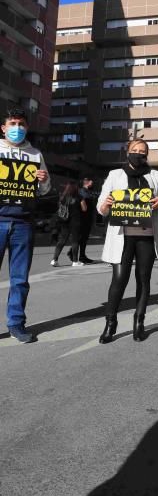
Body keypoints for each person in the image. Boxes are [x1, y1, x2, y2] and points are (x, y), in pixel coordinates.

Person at [96, 139, 158, 343]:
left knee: (143, 279)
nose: (138, 154)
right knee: (119, 280)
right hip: (122, 236)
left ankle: (139, 322)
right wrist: (106, 204)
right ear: (127, 152)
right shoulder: (115, 175)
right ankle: (111, 323)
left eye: (142, 151)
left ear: (147, 154)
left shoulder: (155, 176)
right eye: (134, 150)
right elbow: (100, 205)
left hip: (146, 235)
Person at [0, 108, 50, 343]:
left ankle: (16, 324)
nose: (16, 128)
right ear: (3, 127)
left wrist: (43, 180)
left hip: (23, 222)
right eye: (12, 123)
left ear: (27, 127)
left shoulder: (35, 153)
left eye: (21, 124)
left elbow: (45, 190)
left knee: (19, 278)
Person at [50, 182, 86, 267]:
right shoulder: (79, 197)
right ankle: (75, 261)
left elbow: (59, 209)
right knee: (74, 241)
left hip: (64, 221)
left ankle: (54, 260)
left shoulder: (63, 197)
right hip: (75, 221)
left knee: (62, 240)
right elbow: (84, 209)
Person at [67, 177, 96, 264]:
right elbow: (85, 200)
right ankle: (72, 253)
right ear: (86, 182)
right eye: (91, 180)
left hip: (88, 218)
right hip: (82, 218)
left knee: (84, 238)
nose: (92, 182)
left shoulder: (88, 191)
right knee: (80, 238)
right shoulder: (81, 191)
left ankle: (82, 256)